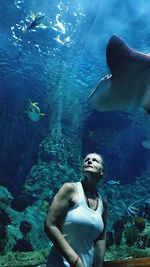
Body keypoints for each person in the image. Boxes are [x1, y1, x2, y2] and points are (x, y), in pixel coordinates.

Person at [44, 152, 107, 267]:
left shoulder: (103, 203)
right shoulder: (70, 189)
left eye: (95, 160)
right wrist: (75, 261)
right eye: (86, 159)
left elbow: (101, 239)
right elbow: (50, 225)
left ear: (101, 171)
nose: (89, 161)